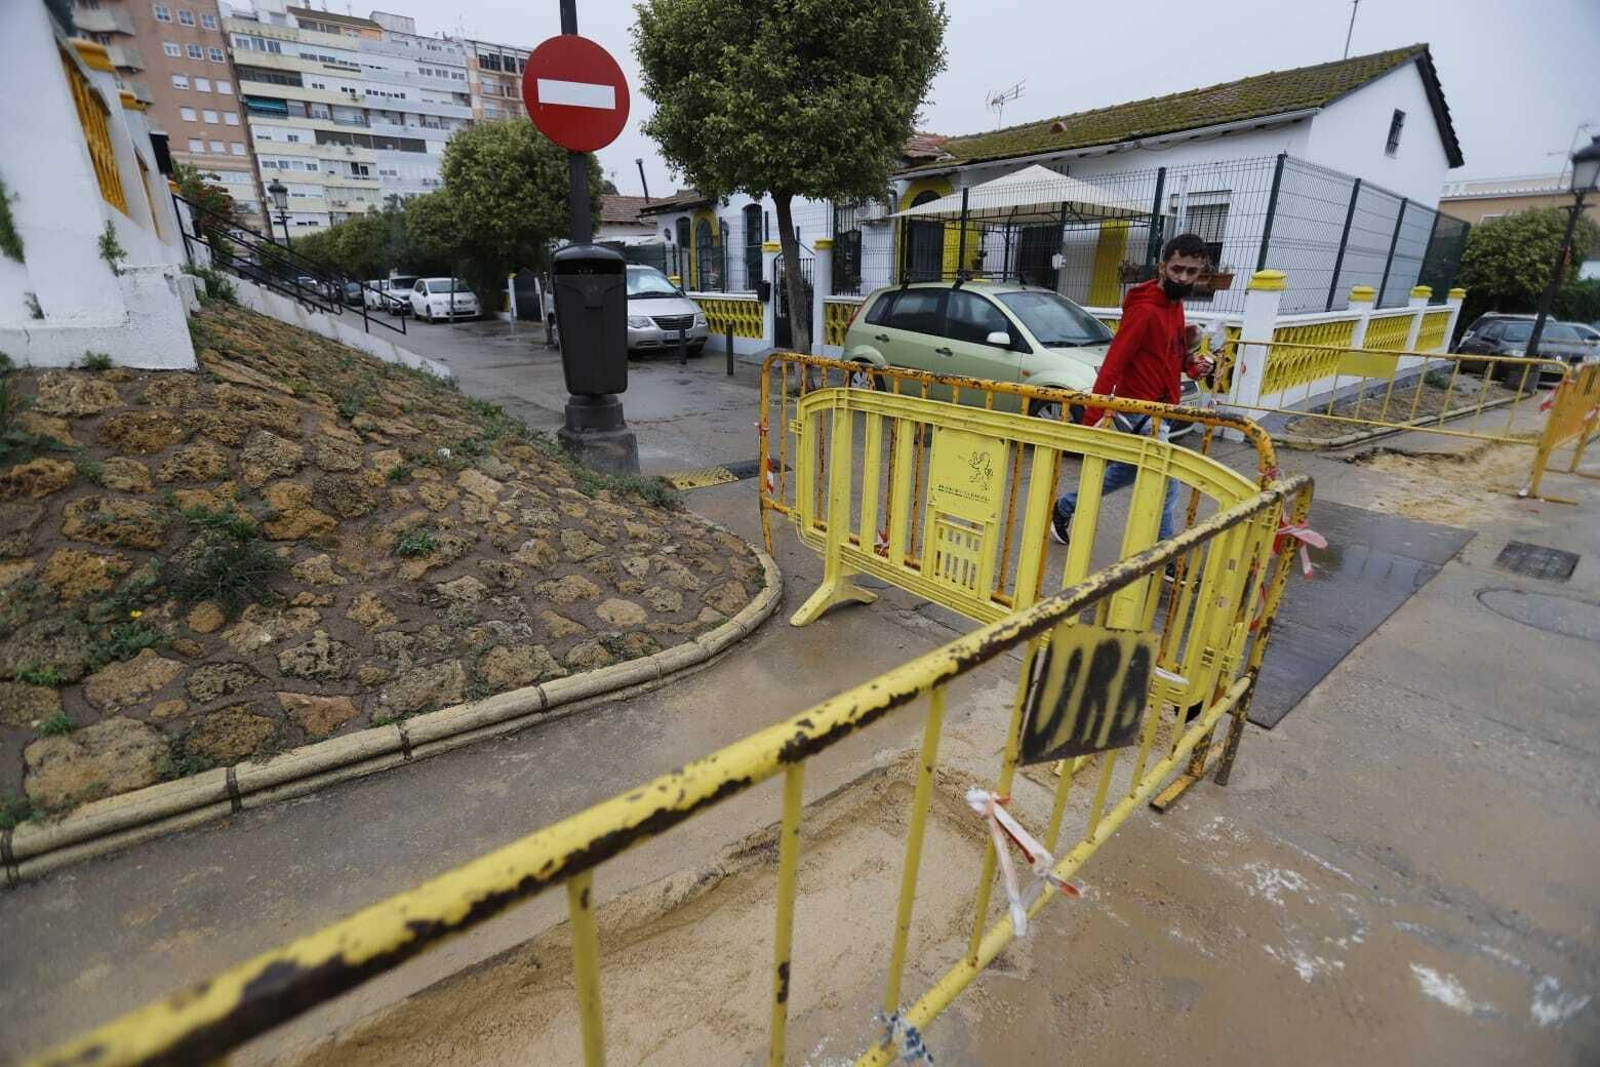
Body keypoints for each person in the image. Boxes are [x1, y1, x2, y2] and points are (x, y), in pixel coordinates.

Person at [1050, 233, 1214, 547]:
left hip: (1161, 411)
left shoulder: (1174, 305)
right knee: (1168, 483)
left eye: (1191, 272)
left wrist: (1193, 366)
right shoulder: (1146, 310)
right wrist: (1091, 420)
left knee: (1125, 473)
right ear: (1163, 266)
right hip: (1140, 412)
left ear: (1200, 272)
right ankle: (1165, 550)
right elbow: (1114, 361)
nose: (1183, 277)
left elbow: (1168, 356)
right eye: (1177, 269)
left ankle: (1065, 506)